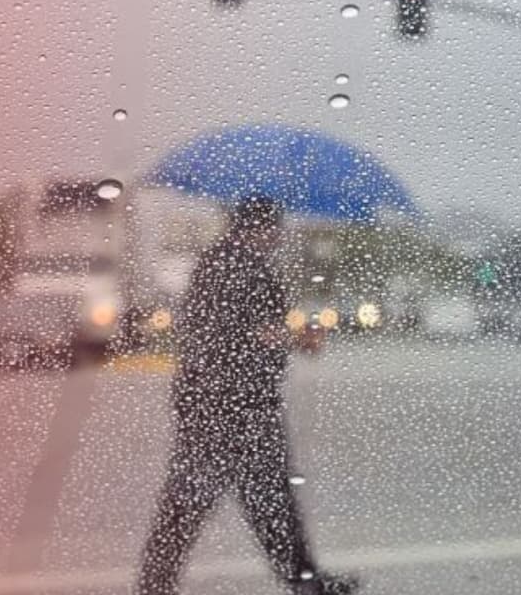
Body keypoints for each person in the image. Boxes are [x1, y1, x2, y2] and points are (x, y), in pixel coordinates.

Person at [136, 195, 358, 595]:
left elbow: (218, 332)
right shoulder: (249, 270)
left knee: (223, 499)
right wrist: (302, 338)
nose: (280, 236)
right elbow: (254, 335)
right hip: (240, 405)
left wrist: (280, 336)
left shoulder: (211, 262)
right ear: (264, 229)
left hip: (206, 398)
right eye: (277, 228)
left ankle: (156, 584)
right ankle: (305, 583)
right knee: (240, 498)